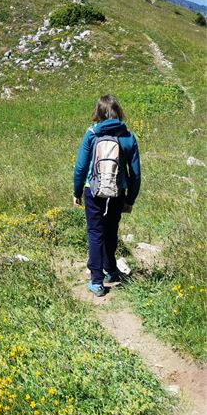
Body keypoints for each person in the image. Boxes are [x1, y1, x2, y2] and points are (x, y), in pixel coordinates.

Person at [73, 95, 141, 296]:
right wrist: (130, 199)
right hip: (117, 192)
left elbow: (80, 167)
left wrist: (77, 191)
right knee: (111, 229)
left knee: (95, 232)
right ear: (118, 112)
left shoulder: (92, 134)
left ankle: (96, 281)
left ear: (98, 113)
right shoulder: (128, 137)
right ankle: (110, 271)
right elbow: (135, 174)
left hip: (92, 190)